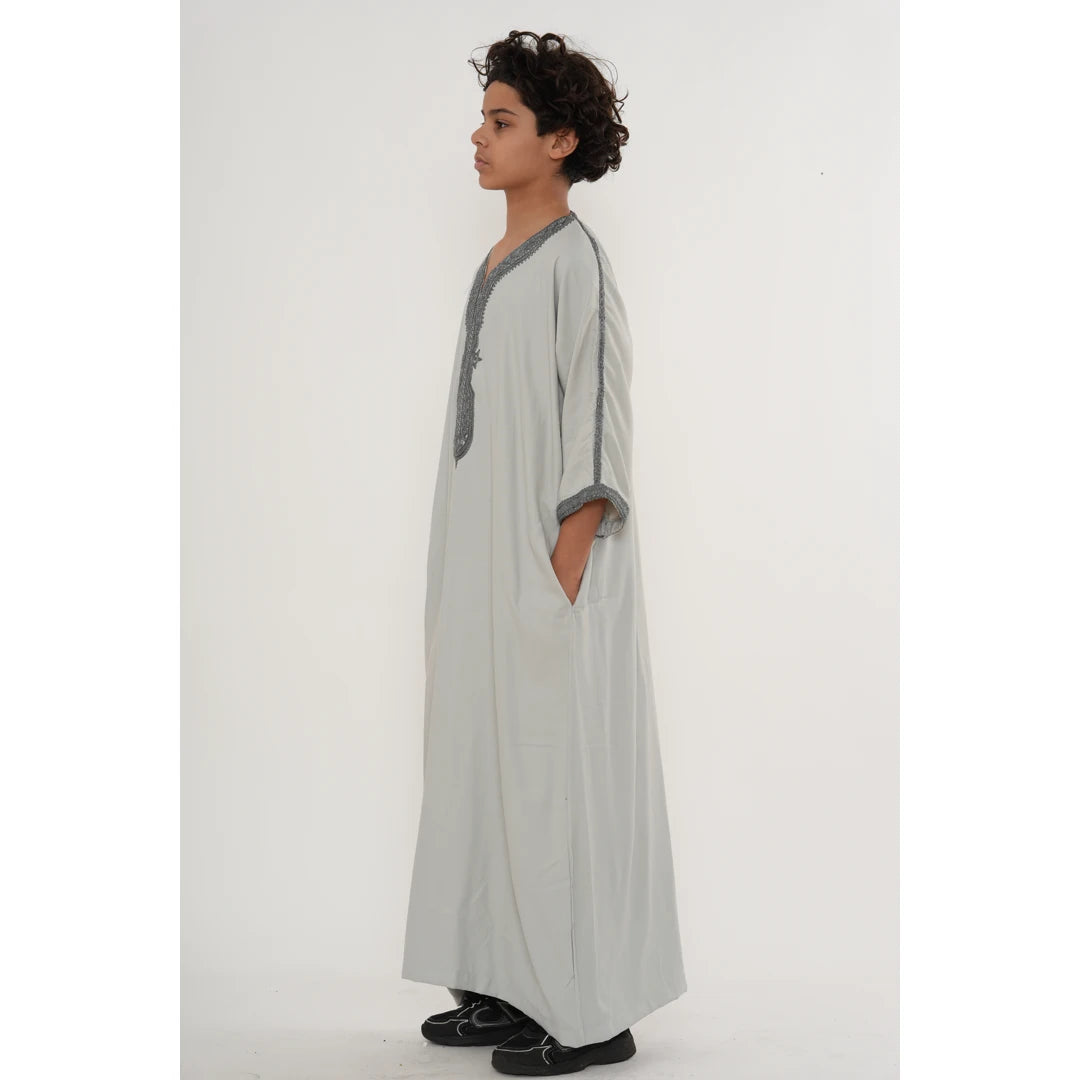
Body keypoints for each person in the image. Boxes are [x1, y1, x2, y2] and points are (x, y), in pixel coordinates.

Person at [401, 30, 687, 1076]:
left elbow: (597, 438)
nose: (479, 138)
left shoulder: (576, 265)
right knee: (484, 771)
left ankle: (592, 1015)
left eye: (502, 120)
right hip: (481, 579)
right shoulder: (495, 264)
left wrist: (555, 582)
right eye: (483, 119)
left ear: (560, 141)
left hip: (548, 581)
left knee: (558, 786)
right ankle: (506, 985)